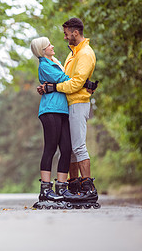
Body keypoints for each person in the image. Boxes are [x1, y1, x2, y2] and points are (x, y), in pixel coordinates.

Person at [37, 18, 98, 202]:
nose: (64, 37)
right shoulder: (73, 54)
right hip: (68, 103)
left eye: (66, 33)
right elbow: (67, 78)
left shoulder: (85, 53)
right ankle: (73, 185)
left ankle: (88, 187)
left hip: (78, 102)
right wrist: (49, 86)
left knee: (78, 146)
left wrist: (53, 88)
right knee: (70, 148)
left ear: (75, 32)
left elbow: (74, 83)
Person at [30, 36, 83, 209]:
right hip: (50, 110)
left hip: (62, 110)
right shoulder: (45, 65)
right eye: (48, 45)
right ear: (42, 50)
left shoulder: (54, 61)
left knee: (66, 148)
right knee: (51, 148)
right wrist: (82, 81)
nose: (52, 46)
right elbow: (64, 79)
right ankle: (45, 190)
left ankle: (61, 188)